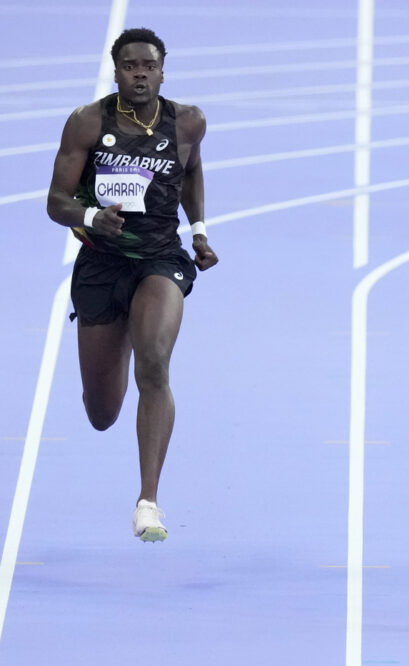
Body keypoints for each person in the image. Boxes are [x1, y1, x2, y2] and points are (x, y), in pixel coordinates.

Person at [46, 28, 218, 542]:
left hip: (160, 260)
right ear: (116, 70)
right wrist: (93, 215)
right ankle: (117, 330)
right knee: (102, 412)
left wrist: (201, 231)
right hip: (101, 265)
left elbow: (191, 173)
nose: (139, 73)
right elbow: (56, 202)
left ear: (163, 71)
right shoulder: (86, 123)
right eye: (129, 65)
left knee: (156, 361)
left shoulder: (188, 121)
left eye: (148, 65)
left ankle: (148, 502)